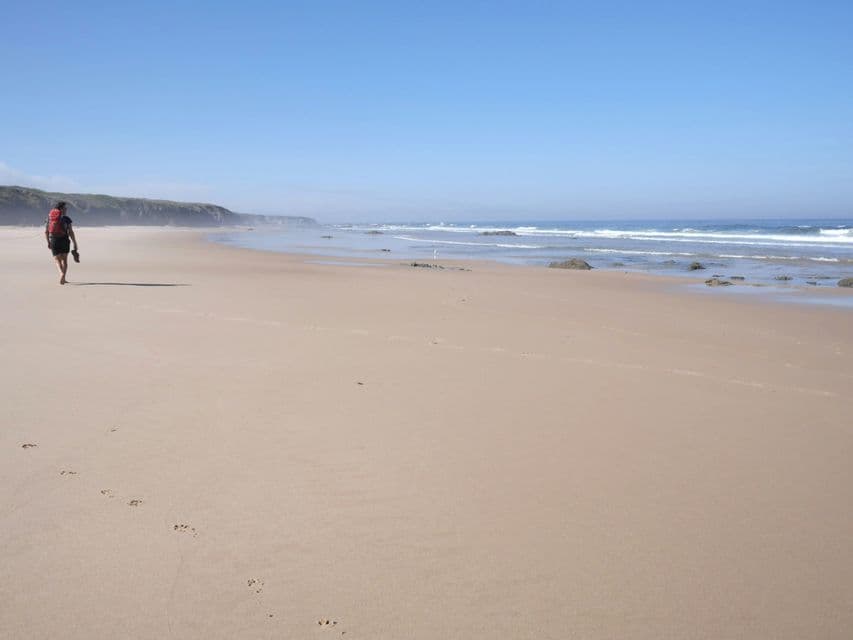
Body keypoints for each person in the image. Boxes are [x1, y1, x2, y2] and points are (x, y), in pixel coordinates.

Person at [45, 201, 78, 285]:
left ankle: (61, 274)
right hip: (64, 240)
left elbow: (46, 232)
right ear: (61, 209)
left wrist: (48, 242)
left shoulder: (49, 218)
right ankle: (64, 276)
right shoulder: (67, 219)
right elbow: (70, 232)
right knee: (65, 260)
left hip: (54, 240)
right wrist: (74, 243)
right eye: (65, 208)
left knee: (57, 260)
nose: (66, 209)